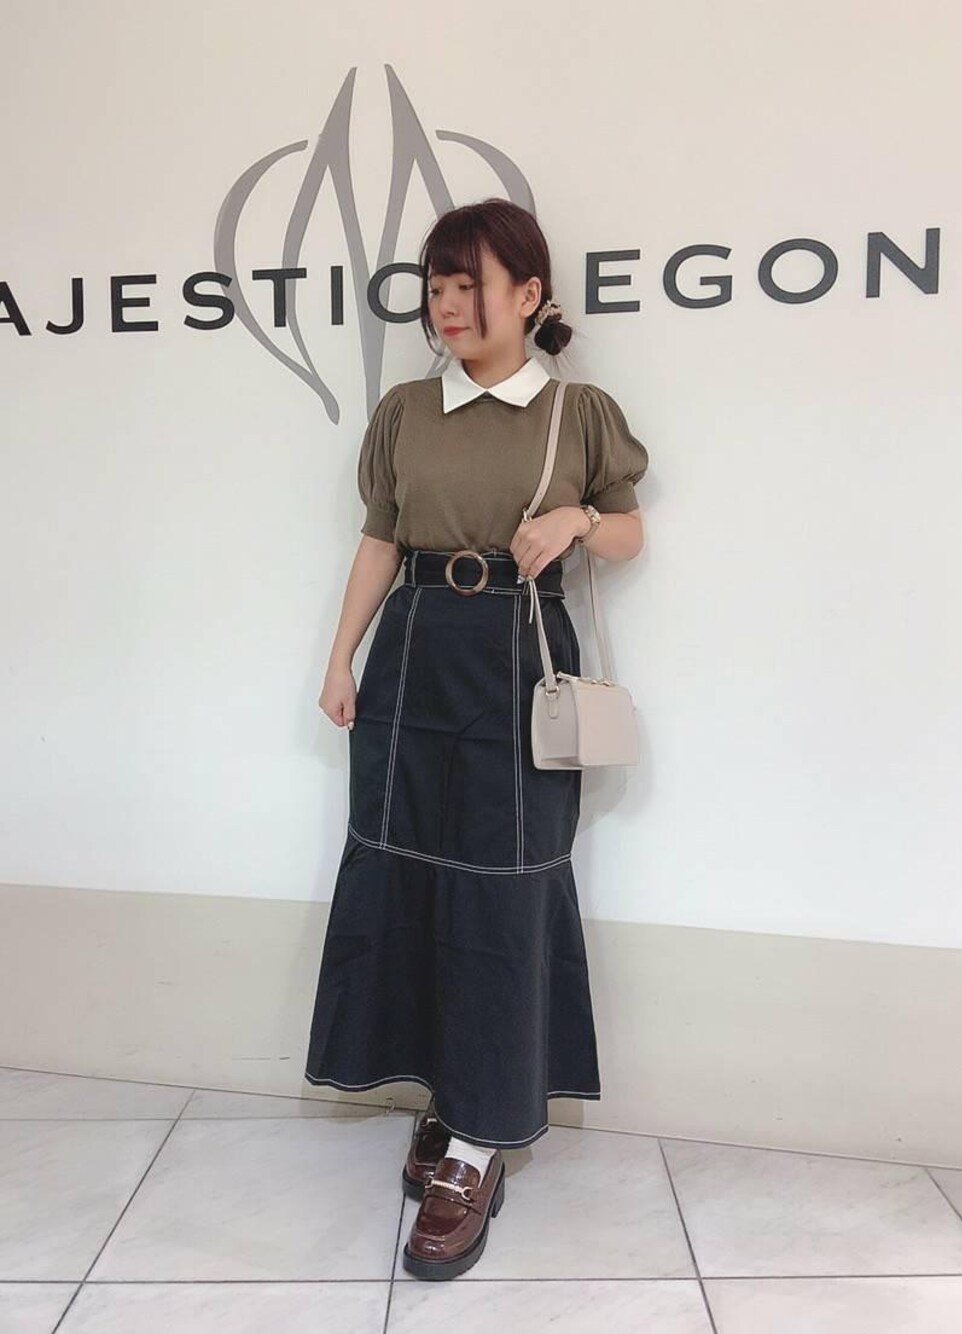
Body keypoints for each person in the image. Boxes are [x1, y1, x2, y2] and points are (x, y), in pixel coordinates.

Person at [304, 197, 649, 1280]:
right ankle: (445, 1095)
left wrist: (579, 521)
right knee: (405, 872)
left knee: (503, 887)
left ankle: (479, 1140)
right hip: (412, 650)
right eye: (437, 288)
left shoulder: (577, 411)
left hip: (517, 656)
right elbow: (379, 539)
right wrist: (339, 658)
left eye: (471, 286)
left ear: (530, 294)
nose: (448, 306)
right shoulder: (406, 410)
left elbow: (630, 528)